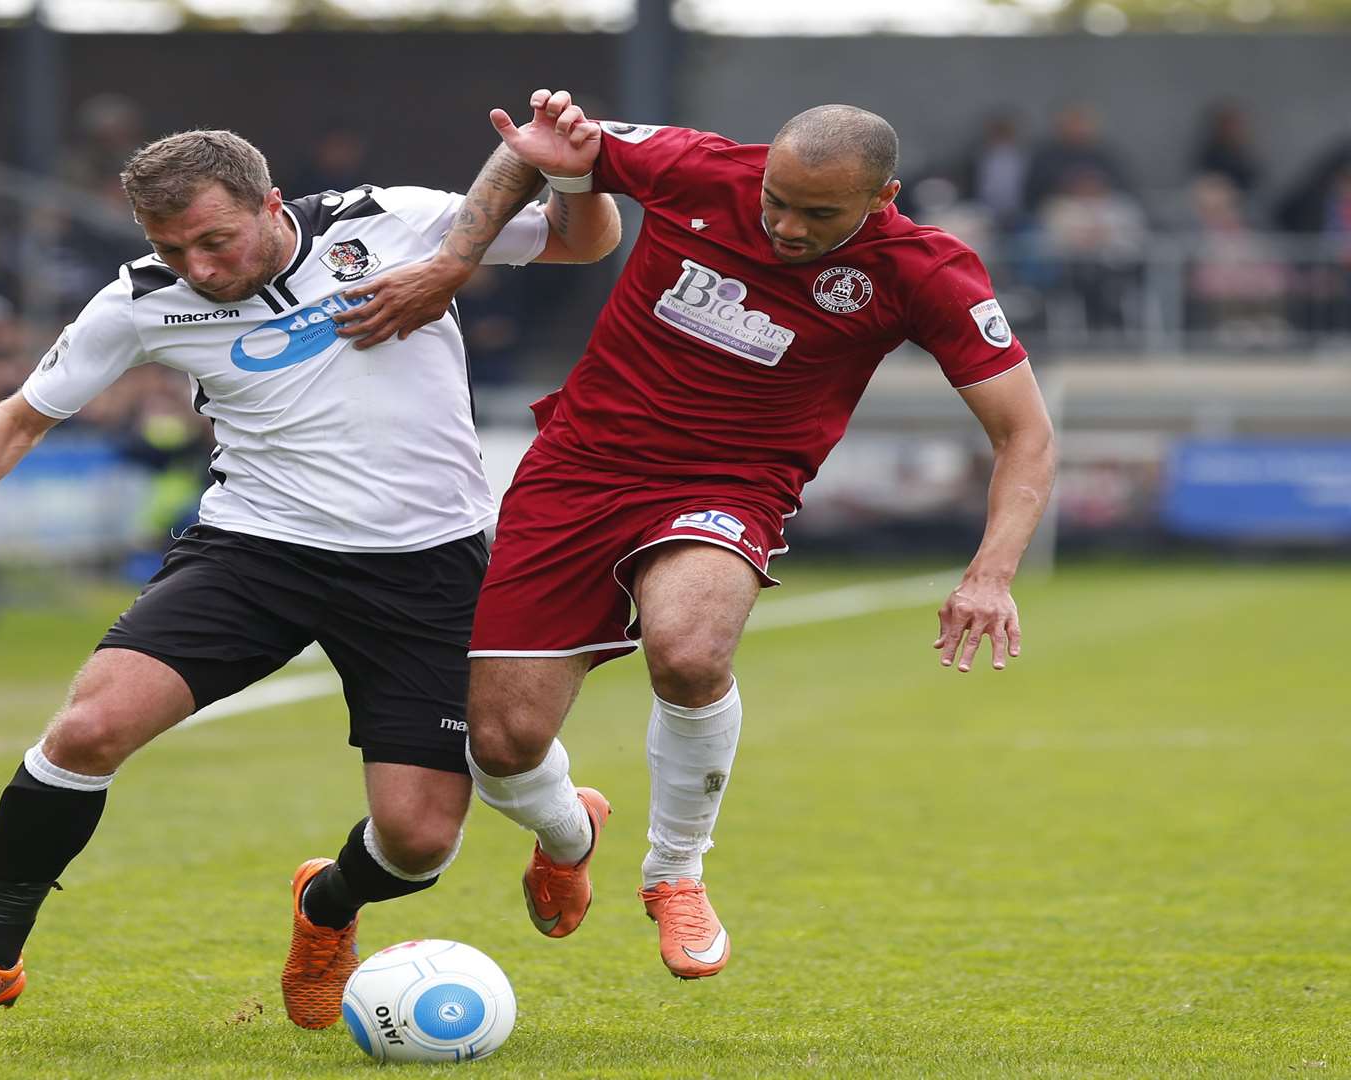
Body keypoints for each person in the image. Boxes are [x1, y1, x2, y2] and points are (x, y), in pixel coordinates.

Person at [0, 124, 621, 1036]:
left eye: (213, 240)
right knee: (89, 726)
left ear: (270, 205)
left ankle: (327, 909)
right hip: (256, 552)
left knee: (419, 844)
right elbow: (19, 419)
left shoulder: (393, 224)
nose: (197, 266)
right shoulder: (143, 300)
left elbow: (583, 239)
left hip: (425, 568)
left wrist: (575, 177)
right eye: (169, 247)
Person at [335, 92, 1056, 980]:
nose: (786, 226)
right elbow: (542, 150)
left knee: (690, 650)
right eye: (775, 201)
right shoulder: (699, 167)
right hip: (578, 472)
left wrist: (990, 573)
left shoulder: (925, 270)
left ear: (883, 197)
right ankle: (570, 835)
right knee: (503, 745)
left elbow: (1025, 432)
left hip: (728, 488)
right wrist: (455, 262)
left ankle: (675, 870)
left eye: (817, 213)